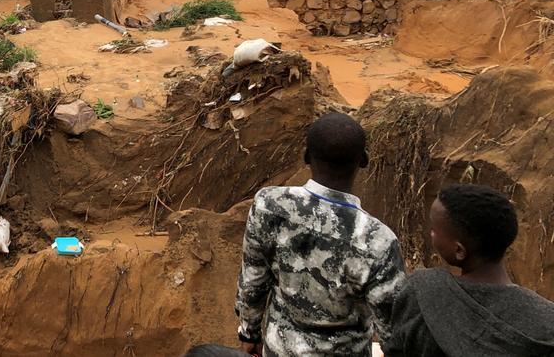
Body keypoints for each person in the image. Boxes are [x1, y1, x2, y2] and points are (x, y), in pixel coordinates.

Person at [235, 112, 404, 356]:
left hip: (279, 349)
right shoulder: (377, 240)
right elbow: (393, 332)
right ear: (364, 160)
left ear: (305, 157)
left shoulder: (269, 205)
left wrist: (248, 333)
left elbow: (253, 278)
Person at [384, 183, 554, 356]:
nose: (431, 233)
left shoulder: (422, 294)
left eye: (434, 230)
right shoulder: (547, 321)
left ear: (459, 251)